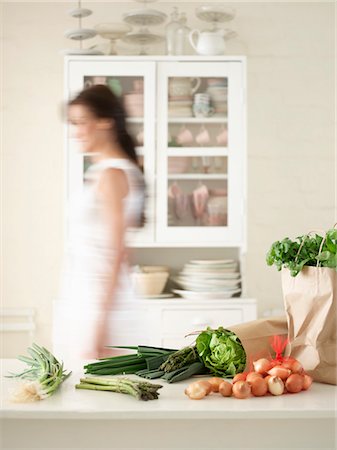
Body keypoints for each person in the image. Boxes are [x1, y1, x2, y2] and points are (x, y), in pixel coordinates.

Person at [53, 84, 146, 364]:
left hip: (97, 306)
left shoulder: (113, 174)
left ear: (106, 121)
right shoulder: (106, 171)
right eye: (73, 123)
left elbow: (118, 251)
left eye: (81, 122)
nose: (75, 131)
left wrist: (101, 323)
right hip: (83, 300)